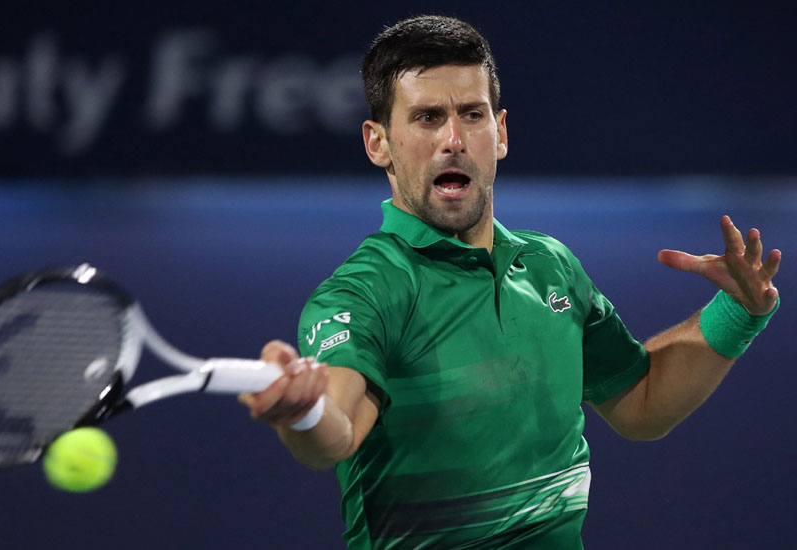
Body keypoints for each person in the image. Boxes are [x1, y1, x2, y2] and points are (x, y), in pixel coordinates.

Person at [238, 15, 781, 549]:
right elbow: (337, 429)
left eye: (471, 115)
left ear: (499, 132)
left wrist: (736, 313)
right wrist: (304, 411)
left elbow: (641, 403)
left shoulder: (551, 265)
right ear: (378, 143)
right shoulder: (363, 292)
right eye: (427, 118)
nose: (453, 139)